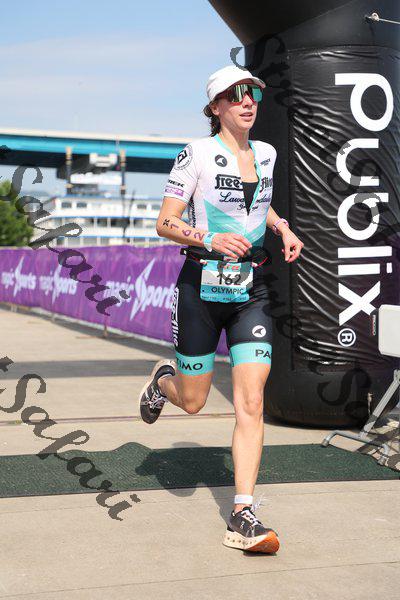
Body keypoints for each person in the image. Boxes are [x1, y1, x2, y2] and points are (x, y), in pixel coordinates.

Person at [138, 64, 304, 553]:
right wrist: (210, 237)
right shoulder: (196, 154)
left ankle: (242, 512)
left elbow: (259, 204)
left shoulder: (267, 153)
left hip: (251, 291)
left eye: (253, 93)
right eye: (236, 95)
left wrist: (282, 228)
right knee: (193, 401)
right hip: (200, 287)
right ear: (215, 107)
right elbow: (165, 222)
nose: (248, 101)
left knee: (251, 401)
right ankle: (162, 382)